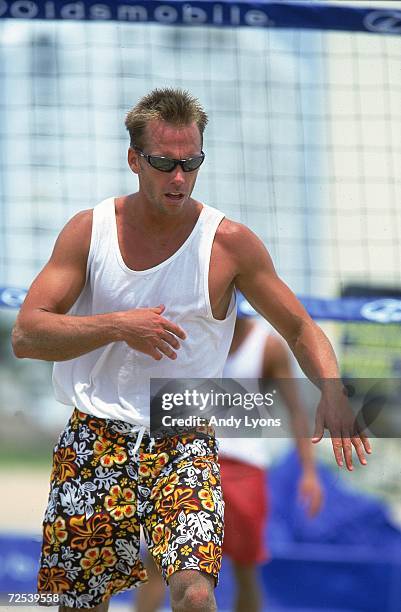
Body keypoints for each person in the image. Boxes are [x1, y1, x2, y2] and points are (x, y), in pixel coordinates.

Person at [12, 87, 371, 612]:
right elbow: (26, 336)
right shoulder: (90, 232)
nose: (179, 178)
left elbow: (298, 326)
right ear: (135, 160)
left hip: (185, 438)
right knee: (78, 602)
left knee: (197, 593)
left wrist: (334, 391)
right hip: (95, 433)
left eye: (191, 163)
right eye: (164, 163)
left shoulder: (229, 243)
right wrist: (115, 326)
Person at [134, 310, 324, 612]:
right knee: (158, 563)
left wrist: (310, 473)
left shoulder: (267, 345)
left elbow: (296, 412)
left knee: (244, 568)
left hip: (244, 468)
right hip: (188, 460)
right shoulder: (188, 331)